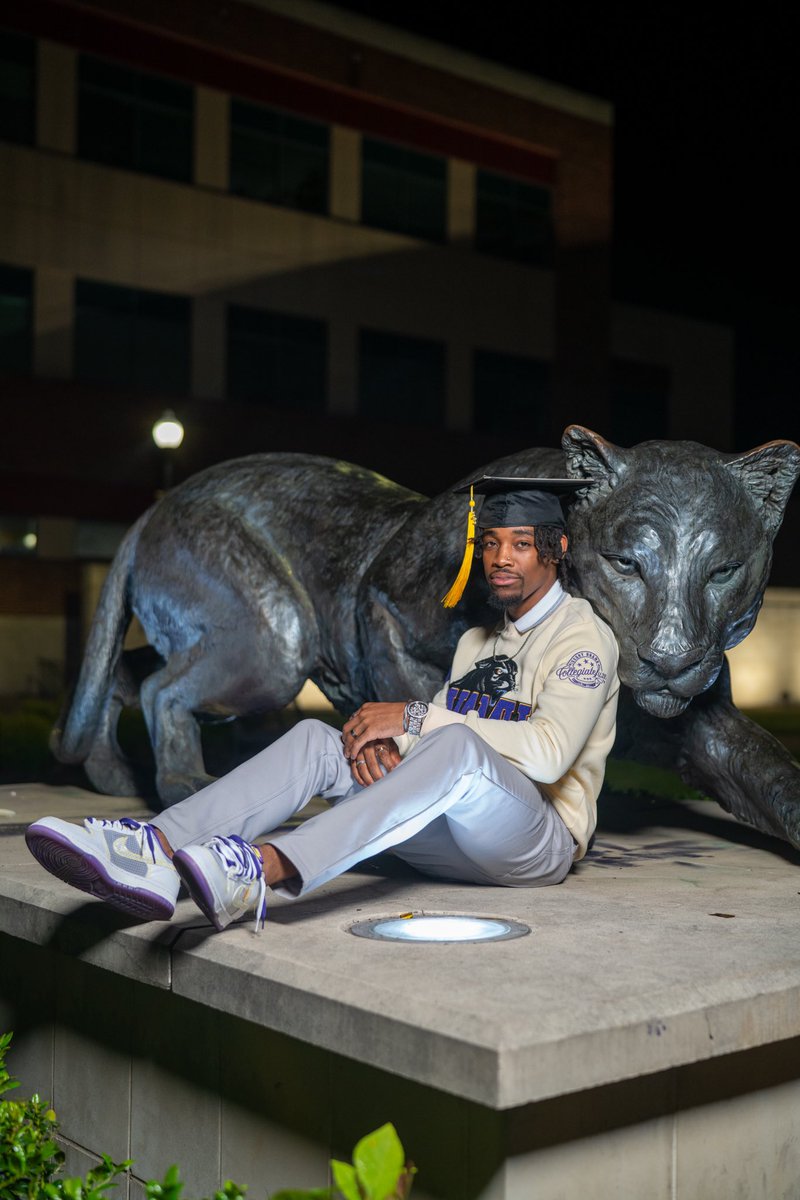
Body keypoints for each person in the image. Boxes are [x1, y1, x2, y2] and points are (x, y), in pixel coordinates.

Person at [26, 477, 620, 933]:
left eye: (520, 544)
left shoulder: (582, 637)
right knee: (320, 741)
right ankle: (151, 850)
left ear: (556, 548)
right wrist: (389, 745)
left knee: (456, 743)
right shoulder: (476, 641)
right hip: (455, 838)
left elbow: (544, 756)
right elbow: (437, 741)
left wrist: (411, 718)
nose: (500, 559)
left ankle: (258, 871)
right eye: (491, 543)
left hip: (536, 842)